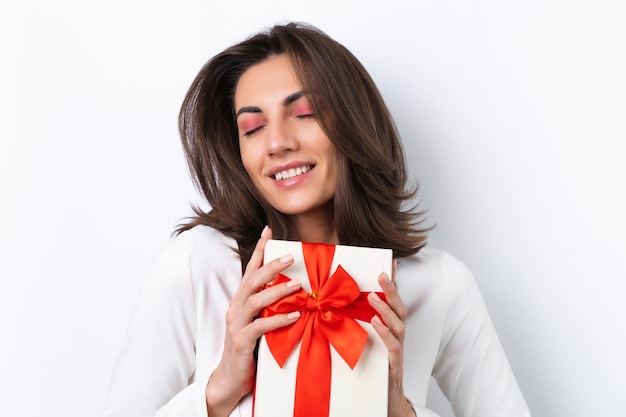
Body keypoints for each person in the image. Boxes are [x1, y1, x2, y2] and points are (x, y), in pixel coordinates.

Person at [101, 22, 531, 417]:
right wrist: (217, 392)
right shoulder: (197, 266)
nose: (277, 143)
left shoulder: (440, 285)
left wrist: (400, 408)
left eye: (304, 114)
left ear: (353, 122)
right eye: (252, 128)